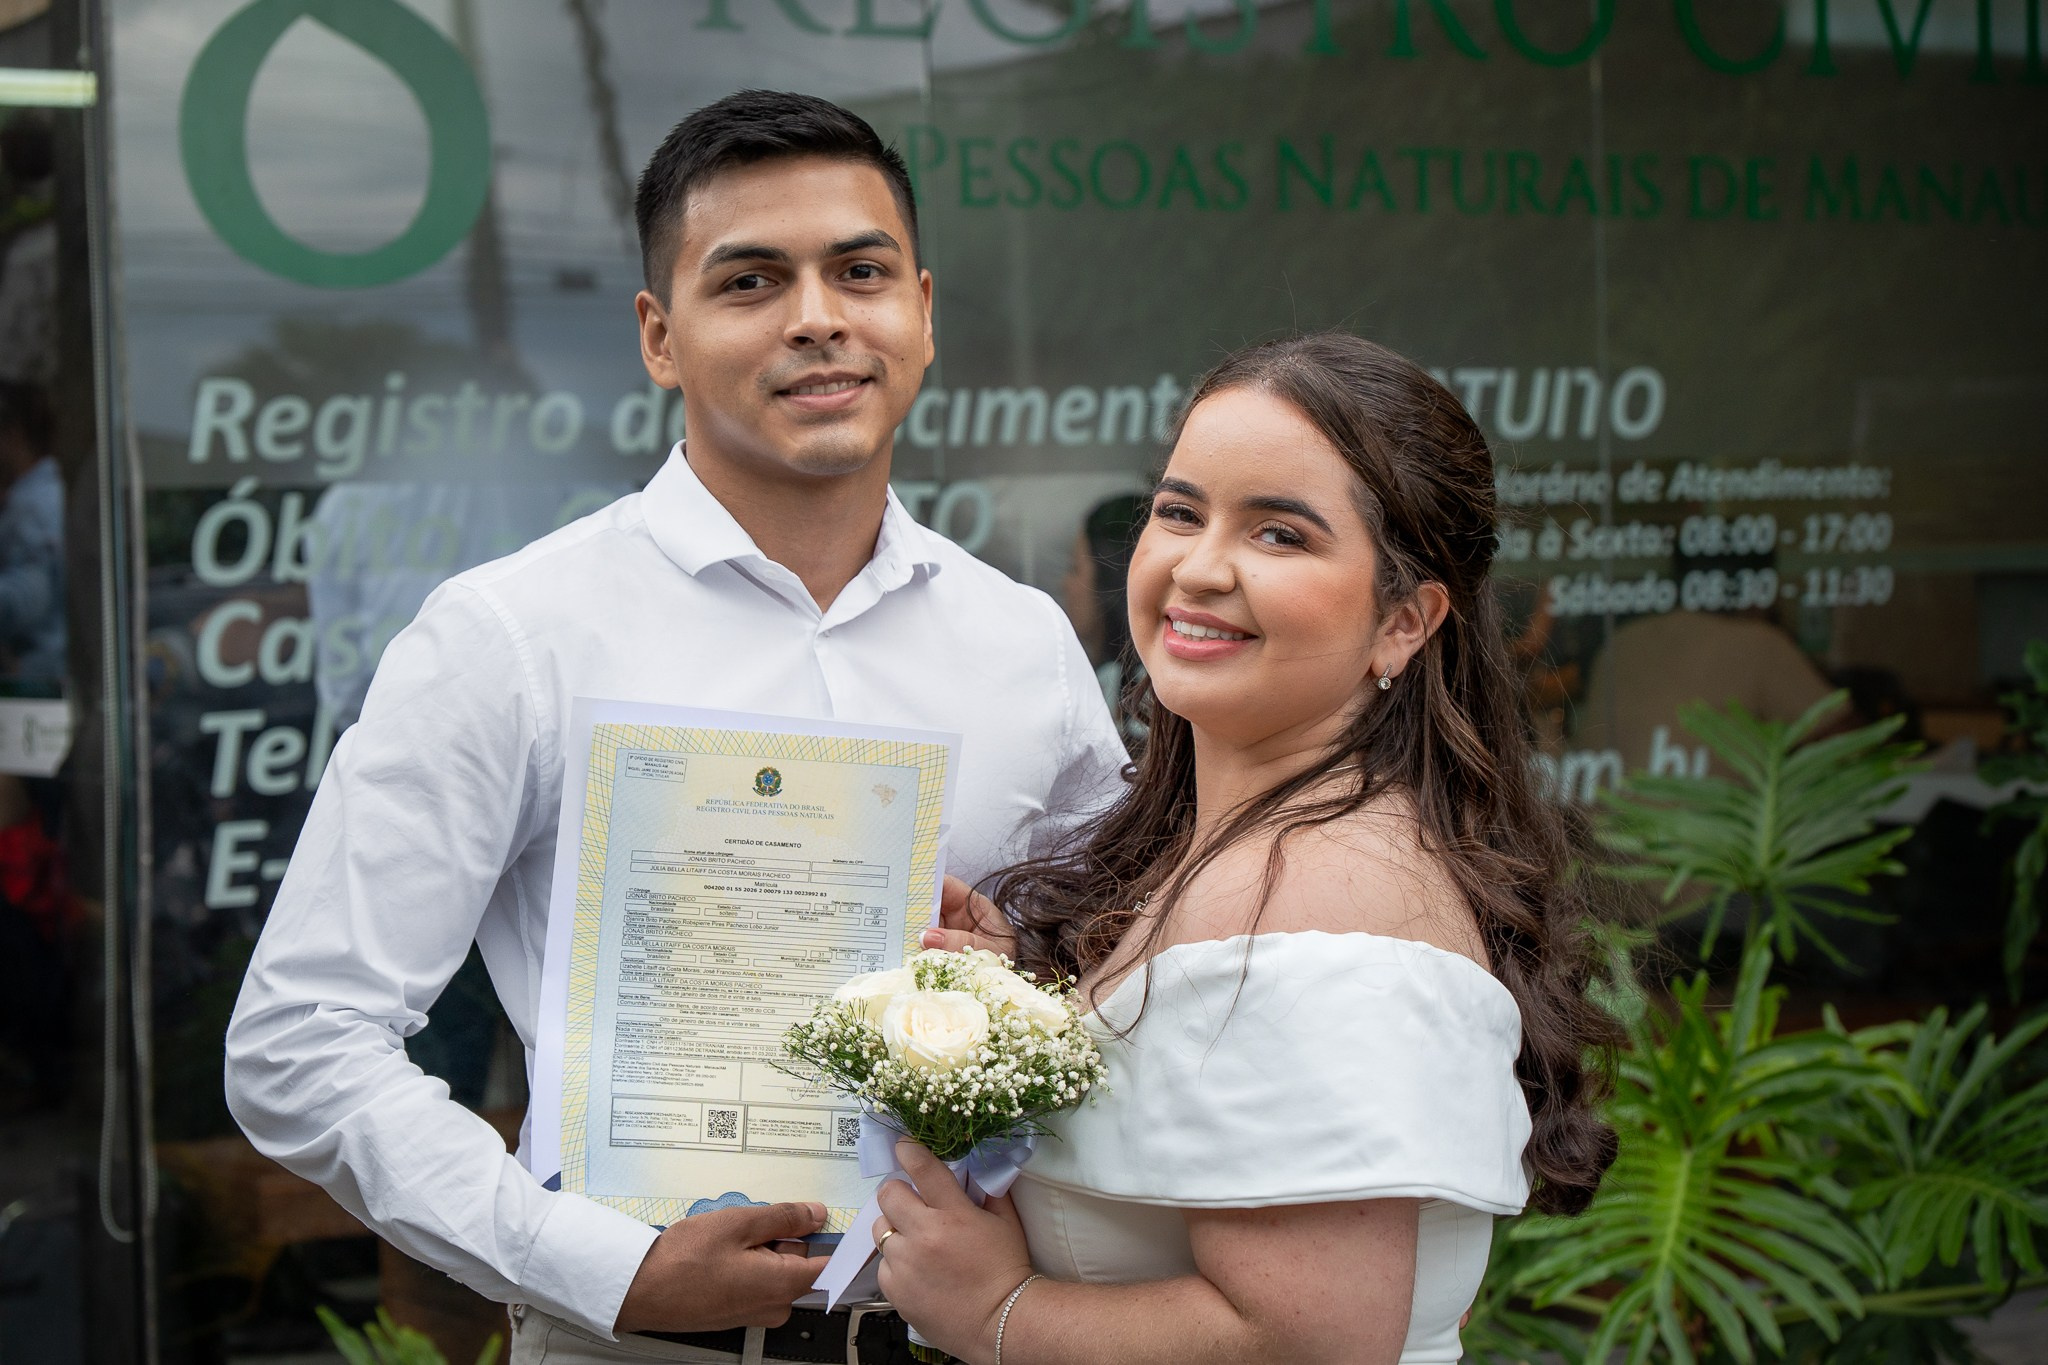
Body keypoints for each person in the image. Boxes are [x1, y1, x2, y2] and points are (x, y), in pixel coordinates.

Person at [223, 91, 1125, 1365]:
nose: (817, 317)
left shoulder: (1021, 643)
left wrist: (1027, 969)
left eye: (859, 272)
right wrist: (601, 1268)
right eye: (750, 281)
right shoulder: (513, 636)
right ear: (659, 337)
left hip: (970, 1336)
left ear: (921, 311)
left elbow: (1128, 983)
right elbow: (300, 1041)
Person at [887, 334, 1618, 1364]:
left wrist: (994, 1312)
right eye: (1180, 512)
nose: (1198, 567)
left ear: (1404, 622)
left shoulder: (1317, 888)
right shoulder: (1247, 850)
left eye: (1279, 534)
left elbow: (1309, 1341)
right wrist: (1036, 1006)